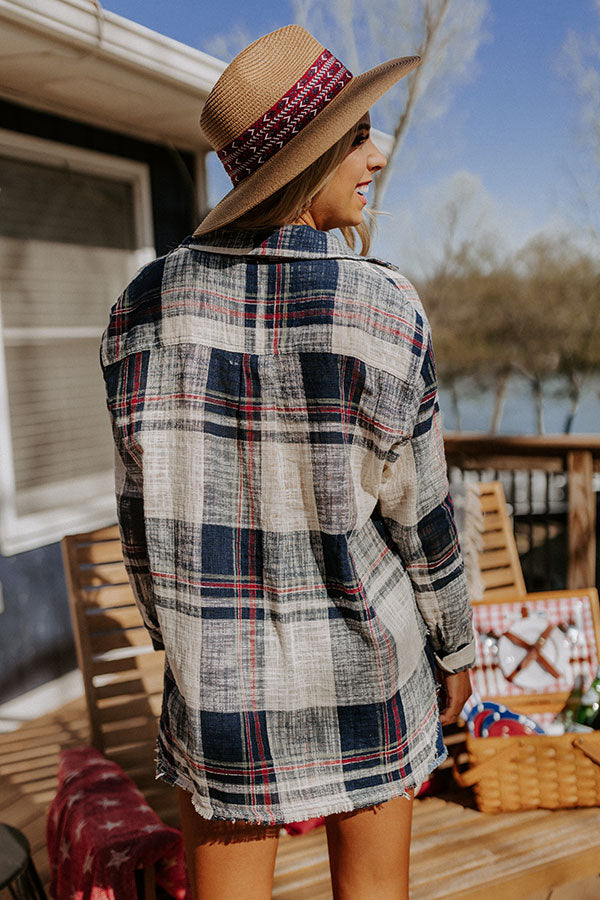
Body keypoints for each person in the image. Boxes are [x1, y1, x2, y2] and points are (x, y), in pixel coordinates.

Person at [101, 24, 474, 900]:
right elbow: (422, 516)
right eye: (355, 137)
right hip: (370, 665)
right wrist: (456, 645)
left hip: (223, 685)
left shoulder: (140, 311)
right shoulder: (383, 307)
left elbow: (140, 522)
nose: (375, 156)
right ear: (304, 160)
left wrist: (181, 643)